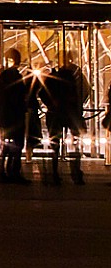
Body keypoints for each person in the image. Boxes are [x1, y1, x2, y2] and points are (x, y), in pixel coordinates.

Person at [42, 54, 89, 185]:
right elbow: (84, 91)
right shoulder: (74, 75)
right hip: (70, 114)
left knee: (56, 143)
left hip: (57, 114)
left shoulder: (54, 77)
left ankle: (55, 172)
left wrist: (52, 103)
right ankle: (75, 173)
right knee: (74, 143)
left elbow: (42, 93)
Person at [0, 50, 36, 184]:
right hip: (13, 116)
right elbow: (19, 95)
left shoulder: (4, 75)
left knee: (6, 146)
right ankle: (12, 172)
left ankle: (2, 172)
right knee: (15, 146)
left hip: (6, 116)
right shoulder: (12, 75)